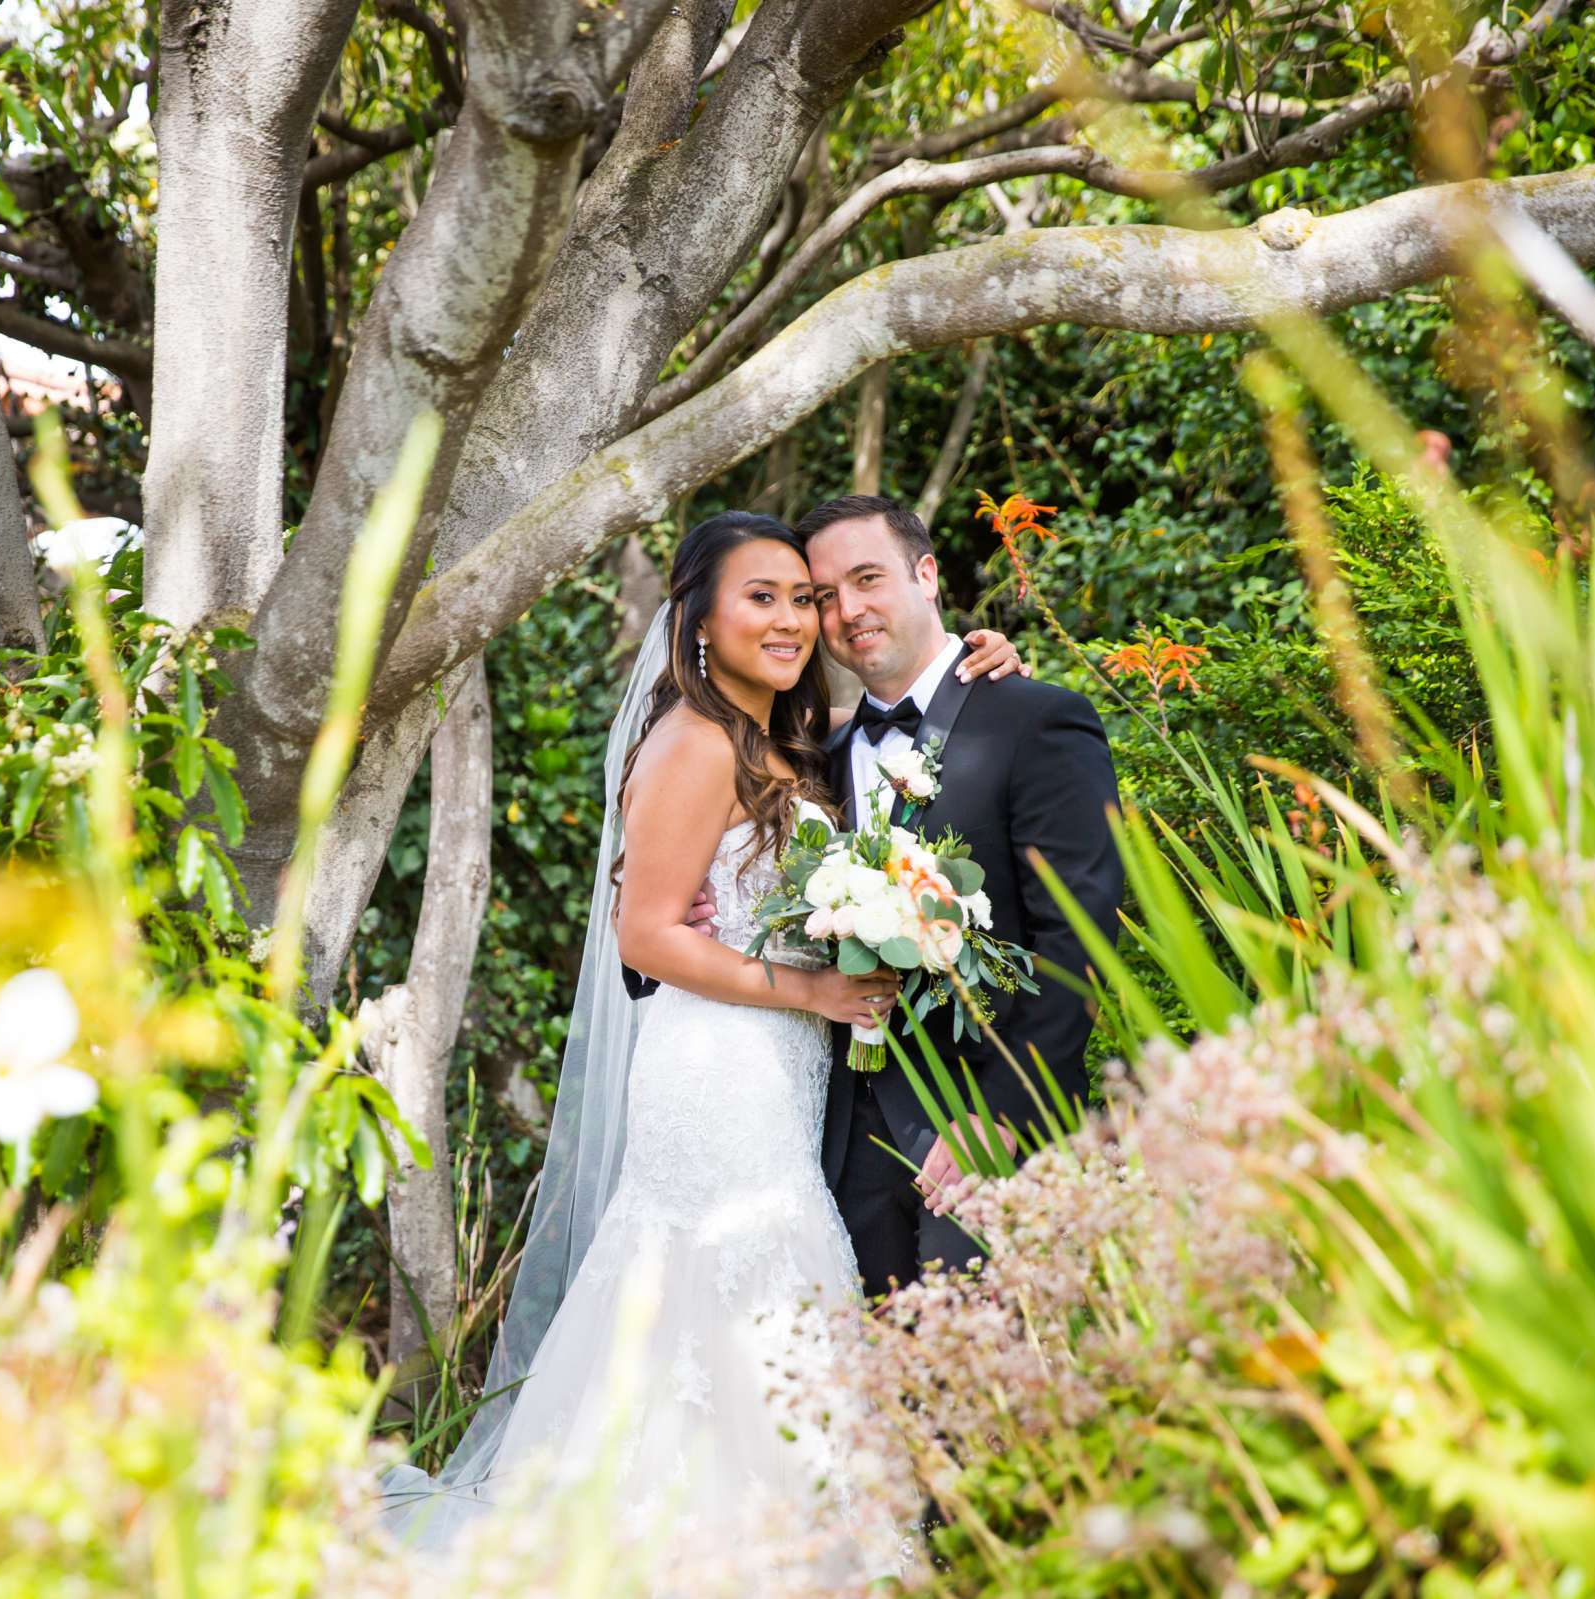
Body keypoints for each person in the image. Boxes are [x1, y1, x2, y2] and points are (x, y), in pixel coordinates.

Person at [380, 510, 1028, 1574]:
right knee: (725, 1266)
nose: (791, 620)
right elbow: (646, 933)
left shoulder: (780, 739)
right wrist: (810, 990)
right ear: (698, 620)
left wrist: (985, 657)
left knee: (768, 1270)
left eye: (801, 598)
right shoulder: (690, 741)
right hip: (717, 1067)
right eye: (760, 598)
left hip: (775, 1067)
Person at [795, 494, 1124, 1299]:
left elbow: (1080, 933)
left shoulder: (1036, 718)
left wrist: (1002, 1113)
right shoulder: (815, 759)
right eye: (825, 595)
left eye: (867, 578)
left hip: (986, 1131)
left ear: (928, 574)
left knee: (990, 1401)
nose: (849, 610)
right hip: (843, 1152)